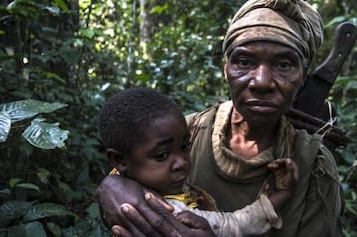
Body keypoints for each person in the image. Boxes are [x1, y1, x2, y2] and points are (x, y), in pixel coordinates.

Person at [97, 0, 344, 236]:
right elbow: (125, 174)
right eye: (244, 61)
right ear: (225, 69)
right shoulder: (185, 133)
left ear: (303, 76)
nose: (262, 82)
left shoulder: (314, 166)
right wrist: (110, 186)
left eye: (284, 65)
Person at [98, 87, 299, 237]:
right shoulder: (170, 212)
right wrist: (282, 195)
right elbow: (235, 225)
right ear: (119, 160)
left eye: (185, 147)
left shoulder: (129, 190)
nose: (181, 162)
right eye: (161, 155)